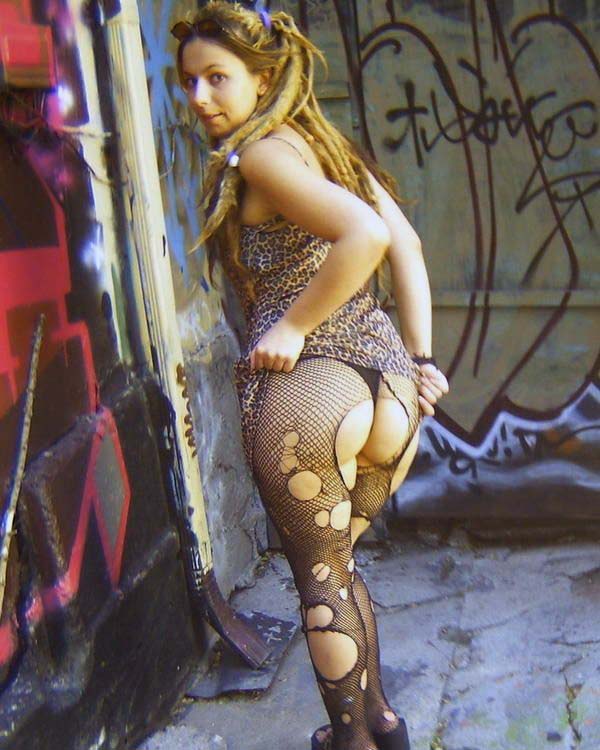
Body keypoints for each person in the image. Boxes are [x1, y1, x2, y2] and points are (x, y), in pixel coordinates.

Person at [171, 3, 449, 749]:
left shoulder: (262, 156)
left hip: (313, 395)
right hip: (386, 389)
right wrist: (421, 360)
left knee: (321, 583)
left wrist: (292, 326)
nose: (199, 97)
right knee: (339, 569)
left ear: (263, 79)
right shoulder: (323, 146)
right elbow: (408, 244)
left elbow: (368, 236)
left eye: (217, 78)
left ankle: (350, 741)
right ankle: (381, 725)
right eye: (189, 82)